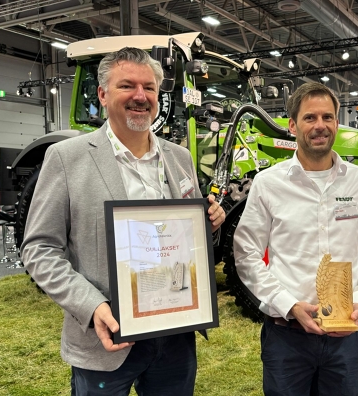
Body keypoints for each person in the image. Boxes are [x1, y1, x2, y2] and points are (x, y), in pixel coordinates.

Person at [21, 47, 225, 395]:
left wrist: (209, 223)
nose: (140, 96)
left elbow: (185, 240)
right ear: (102, 94)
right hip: (106, 338)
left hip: (175, 335)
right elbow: (39, 249)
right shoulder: (66, 158)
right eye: (127, 86)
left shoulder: (180, 158)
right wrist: (92, 306)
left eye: (149, 87)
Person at [233, 82, 358, 395]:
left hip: (344, 339)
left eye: (327, 117)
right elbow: (246, 253)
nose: (320, 126)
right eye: (309, 118)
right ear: (292, 125)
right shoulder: (268, 184)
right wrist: (288, 305)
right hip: (286, 339)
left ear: (336, 123)